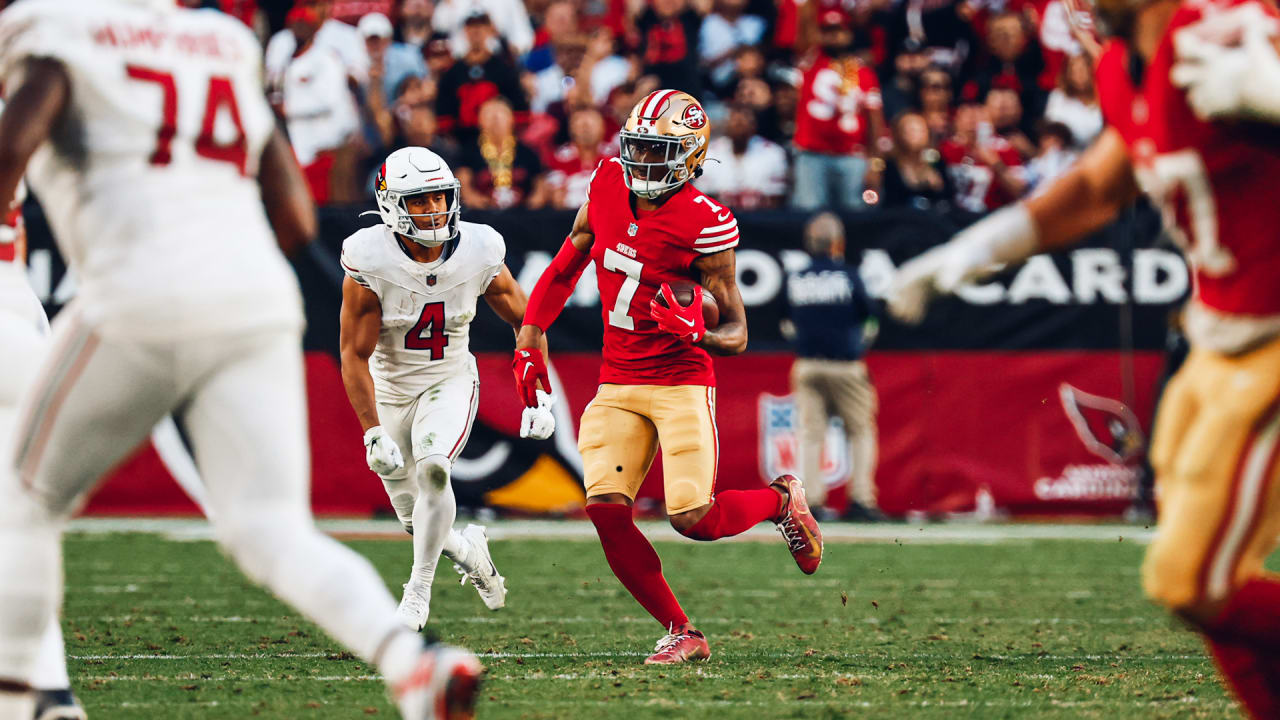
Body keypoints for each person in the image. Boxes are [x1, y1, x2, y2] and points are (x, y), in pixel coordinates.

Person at [0, 2, 479, 718]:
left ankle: (22, 697)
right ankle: (411, 659)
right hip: (256, 297)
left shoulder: (61, 26)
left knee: (23, 499)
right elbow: (293, 217)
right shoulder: (220, 41)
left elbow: (9, 157)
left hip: (138, 289)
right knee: (270, 528)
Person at [887, 0, 1280, 714]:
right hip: (1221, 339)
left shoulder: (1226, 33)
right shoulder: (1120, 69)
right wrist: (977, 249)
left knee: (1191, 579)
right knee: (1201, 581)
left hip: (1272, 344)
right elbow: (1100, 185)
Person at [512, 89, 824, 665]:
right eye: (637, 148)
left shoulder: (706, 223)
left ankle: (782, 501)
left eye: (657, 152)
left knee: (693, 520)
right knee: (606, 509)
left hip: (680, 378)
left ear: (690, 157)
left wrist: (696, 332)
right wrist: (530, 333)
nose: (641, 163)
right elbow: (565, 263)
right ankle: (683, 630)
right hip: (617, 380)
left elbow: (738, 332)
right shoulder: (607, 182)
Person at [340, 147, 550, 629]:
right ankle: (469, 550)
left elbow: (529, 321)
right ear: (390, 205)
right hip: (391, 389)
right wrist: (373, 431)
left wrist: (539, 394)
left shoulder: (478, 249)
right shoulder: (369, 258)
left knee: (435, 470)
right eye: (419, 201)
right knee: (417, 523)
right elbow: (353, 354)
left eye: (439, 197)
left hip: (449, 378)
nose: (434, 210)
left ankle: (416, 594)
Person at [783, 213, 884, 523]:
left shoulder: (796, 278)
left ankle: (811, 501)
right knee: (860, 431)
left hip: (807, 364)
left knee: (811, 434)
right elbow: (871, 316)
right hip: (845, 365)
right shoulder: (847, 275)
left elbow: (785, 323)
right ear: (838, 243)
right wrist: (860, 346)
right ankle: (861, 500)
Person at [791, 10, 886, 212]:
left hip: (852, 156)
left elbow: (875, 120)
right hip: (812, 154)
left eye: (839, 30)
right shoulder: (810, 62)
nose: (833, 36)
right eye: (827, 31)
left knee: (856, 215)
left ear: (849, 34)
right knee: (809, 214)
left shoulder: (864, 73)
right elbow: (803, 33)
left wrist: (875, 163)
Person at [695, 103, 789, 210]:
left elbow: (777, 199)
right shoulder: (709, 153)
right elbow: (702, 198)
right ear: (726, 125)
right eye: (735, 122)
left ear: (754, 125)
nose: (739, 127)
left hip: (761, 220)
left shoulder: (773, 152)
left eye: (743, 122)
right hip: (719, 219)